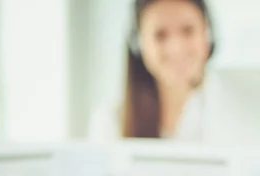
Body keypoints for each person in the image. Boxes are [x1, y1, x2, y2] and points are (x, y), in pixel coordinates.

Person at [89, 0, 215, 142]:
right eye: (160, 35)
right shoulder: (111, 122)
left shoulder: (232, 113)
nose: (176, 48)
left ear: (207, 34)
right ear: (138, 44)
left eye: (188, 31)